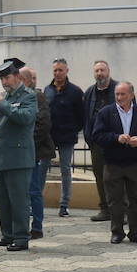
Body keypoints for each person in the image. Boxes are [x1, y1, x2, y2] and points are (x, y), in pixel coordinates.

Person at [91, 81, 137, 244]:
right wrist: (116, 138)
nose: (119, 97)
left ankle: (136, 232)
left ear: (132, 95)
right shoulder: (106, 113)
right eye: (117, 94)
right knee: (114, 199)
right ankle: (117, 231)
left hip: (135, 162)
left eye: (123, 94)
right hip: (113, 163)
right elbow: (97, 135)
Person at [0, 58, 38, 251]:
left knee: (19, 200)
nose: (4, 82)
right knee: (3, 200)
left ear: (17, 76)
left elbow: (25, 118)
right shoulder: (7, 97)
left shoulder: (28, 96)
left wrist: (2, 105)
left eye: (7, 78)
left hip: (19, 157)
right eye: (2, 79)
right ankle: (7, 234)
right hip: (2, 155)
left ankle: (20, 237)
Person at [45, 59, 84, 217]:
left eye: (60, 70)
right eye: (55, 70)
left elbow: (81, 117)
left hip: (67, 137)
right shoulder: (47, 90)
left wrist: (72, 129)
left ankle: (64, 205)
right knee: (41, 169)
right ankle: (35, 203)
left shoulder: (75, 91)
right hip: (48, 137)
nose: (57, 73)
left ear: (67, 71)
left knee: (65, 170)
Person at [19, 67, 55, 240]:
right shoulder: (17, 97)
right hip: (20, 151)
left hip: (34, 151)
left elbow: (43, 124)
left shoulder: (37, 96)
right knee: (23, 191)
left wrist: (28, 142)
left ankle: (37, 226)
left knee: (34, 190)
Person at [82, 60, 116, 221]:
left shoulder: (118, 89)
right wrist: (89, 137)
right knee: (100, 176)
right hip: (96, 143)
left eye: (102, 70)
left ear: (108, 71)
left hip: (116, 142)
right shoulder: (90, 92)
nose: (99, 73)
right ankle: (105, 209)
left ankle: (119, 210)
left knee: (116, 176)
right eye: (97, 71)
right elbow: (85, 116)